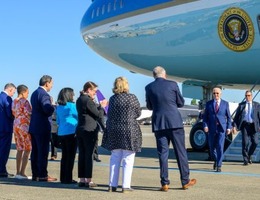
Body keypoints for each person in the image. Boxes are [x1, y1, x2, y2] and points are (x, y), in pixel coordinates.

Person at [145, 66, 196, 191]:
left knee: (163, 154)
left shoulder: (149, 87)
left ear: (154, 75)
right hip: (175, 123)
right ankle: (185, 181)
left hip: (159, 124)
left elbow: (149, 106)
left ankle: (164, 183)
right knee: (180, 152)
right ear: (165, 74)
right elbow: (181, 103)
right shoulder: (173, 84)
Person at [101, 77, 142, 193]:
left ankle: (112, 185)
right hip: (129, 130)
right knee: (128, 158)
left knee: (115, 157)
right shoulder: (132, 97)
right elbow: (138, 113)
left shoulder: (113, 99)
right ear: (126, 85)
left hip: (114, 130)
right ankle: (125, 185)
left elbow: (109, 113)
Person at [76, 81, 107, 188]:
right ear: (89, 89)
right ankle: (88, 180)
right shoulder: (88, 100)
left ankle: (82, 179)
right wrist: (102, 107)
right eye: (94, 91)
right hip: (89, 130)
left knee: (82, 155)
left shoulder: (79, 99)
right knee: (89, 155)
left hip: (80, 129)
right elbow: (98, 115)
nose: (95, 93)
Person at [29, 75, 57, 182]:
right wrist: (53, 106)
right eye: (51, 83)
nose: (52, 86)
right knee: (43, 151)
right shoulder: (45, 95)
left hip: (34, 126)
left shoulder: (34, 93)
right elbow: (47, 109)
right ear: (47, 83)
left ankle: (35, 174)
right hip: (42, 127)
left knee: (35, 151)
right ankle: (42, 175)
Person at [203, 87, 232, 172]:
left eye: (217, 93)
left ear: (220, 94)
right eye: (214, 93)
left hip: (221, 128)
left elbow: (229, 117)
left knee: (220, 146)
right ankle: (215, 160)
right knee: (212, 148)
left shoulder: (225, 104)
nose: (216, 95)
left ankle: (219, 165)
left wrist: (229, 127)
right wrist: (205, 125)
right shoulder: (208, 104)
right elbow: (205, 117)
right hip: (211, 128)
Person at [56, 87, 78, 184]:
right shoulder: (72, 106)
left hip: (61, 132)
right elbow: (79, 116)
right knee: (71, 156)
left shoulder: (59, 107)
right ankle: (68, 178)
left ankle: (63, 177)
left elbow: (58, 121)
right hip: (71, 132)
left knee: (64, 156)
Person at [233, 90, 260, 165]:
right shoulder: (241, 105)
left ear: (252, 96)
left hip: (254, 126)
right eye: (246, 96)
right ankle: (245, 160)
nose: (247, 97)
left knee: (255, 142)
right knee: (245, 143)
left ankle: (249, 155)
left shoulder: (257, 105)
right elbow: (236, 117)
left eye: (249, 95)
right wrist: (234, 127)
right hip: (245, 126)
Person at [12, 85, 32, 179]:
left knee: (19, 148)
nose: (28, 94)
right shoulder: (25, 101)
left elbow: (13, 112)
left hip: (16, 124)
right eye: (27, 92)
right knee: (27, 149)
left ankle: (17, 172)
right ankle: (22, 172)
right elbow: (29, 113)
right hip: (24, 125)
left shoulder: (14, 101)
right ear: (23, 92)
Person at [0, 83, 16, 177]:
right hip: (5, 127)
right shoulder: (7, 98)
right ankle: (2, 170)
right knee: (4, 149)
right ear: (10, 90)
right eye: (13, 92)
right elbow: (10, 113)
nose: (13, 94)